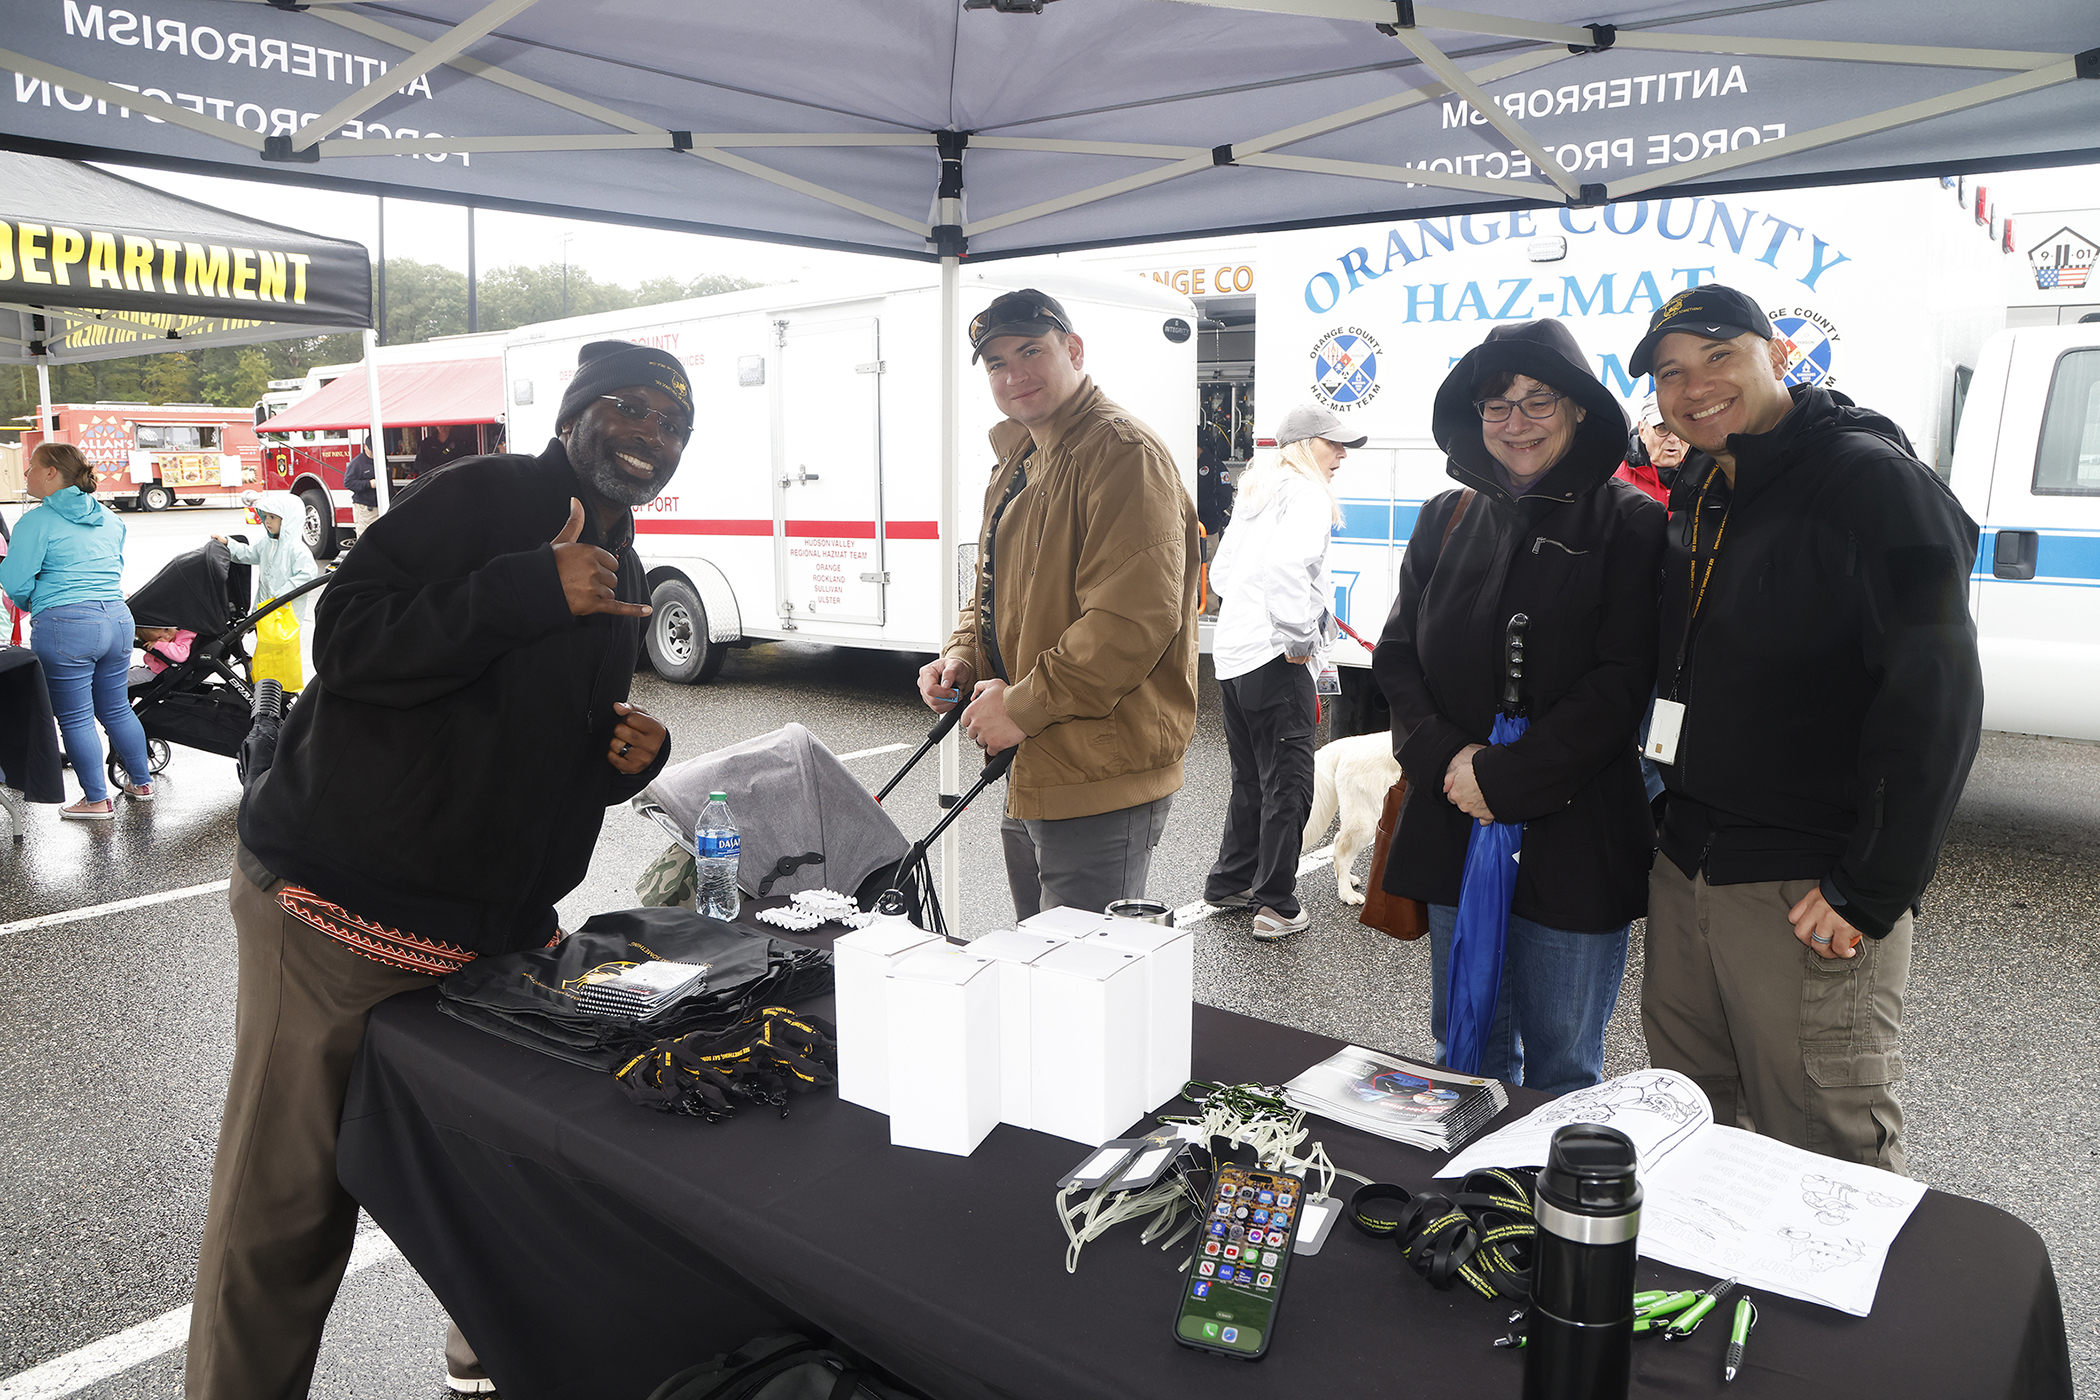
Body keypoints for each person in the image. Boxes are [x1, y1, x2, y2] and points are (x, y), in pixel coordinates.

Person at [187, 340, 687, 1400]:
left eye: (673, 425)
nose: (651, 436)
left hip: (491, 933)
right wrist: (525, 587)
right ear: (575, 414)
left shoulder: (626, 563)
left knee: (492, 1186)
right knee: (285, 1214)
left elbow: (521, 733)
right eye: (631, 410)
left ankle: (480, 1371)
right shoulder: (491, 496)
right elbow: (351, 637)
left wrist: (620, 757)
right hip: (335, 916)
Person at [1627, 284, 1983, 1173]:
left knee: (1823, 1151)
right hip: (1692, 863)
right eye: (1671, 372)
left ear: (1779, 353)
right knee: (1687, 1122)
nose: (1695, 386)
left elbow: (1937, 692)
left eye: (1719, 356)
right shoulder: (1704, 483)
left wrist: (1872, 885)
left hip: (1803, 888)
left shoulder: (1870, 480)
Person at [1373, 320, 1665, 1094]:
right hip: (1455, 814)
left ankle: (1551, 1209)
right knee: (1466, 1050)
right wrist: (1453, 760)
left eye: (1539, 402)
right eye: (1496, 405)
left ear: (1578, 412)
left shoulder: (1630, 524)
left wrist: (1509, 779)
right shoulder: (1447, 517)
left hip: (1577, 834)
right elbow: (1397, 656)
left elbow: (1623, 681)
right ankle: (1473, 1202)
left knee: (1563, 1065)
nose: (1516, 423)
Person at [916, 289, 1200, 921]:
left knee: (1081, 985)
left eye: (1030, 351)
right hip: (1033, 761)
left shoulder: (1121, 454)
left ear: (1073, 350)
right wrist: (962, 655)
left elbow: (1129, 622)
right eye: (995, 363)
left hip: (1096, 769)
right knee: (1036, 969)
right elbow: (992, 587)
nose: (1014, 375)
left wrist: (1019, 704)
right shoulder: (1023, 454)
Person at [1202, 404, 1362, 939]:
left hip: (1233, 655)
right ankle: (1276, 903)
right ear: (1302, 445)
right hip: (1277, 657)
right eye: (1332, 444)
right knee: (1289, 781)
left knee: (1251, 778)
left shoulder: (1257, 492)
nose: (1341, 455)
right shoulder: (1309, 494)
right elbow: (1286, 567)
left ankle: (1230, 881)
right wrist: (1299, 634)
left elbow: (1221, 572)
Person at [0, 442, 156, 818]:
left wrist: (34, 602)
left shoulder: (36, 521)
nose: (26, 475)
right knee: (117, 707)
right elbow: (114, 566)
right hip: (118, 618)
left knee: (75, 717)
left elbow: (15, 580)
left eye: (32, 467)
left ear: (52, 472)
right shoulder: (109, 517)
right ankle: (141, 782)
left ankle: (96, 800)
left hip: (66, 625)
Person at [1614, 398, 1687, 506]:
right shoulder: (1617, 477)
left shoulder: (1708, 473)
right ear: (1642, 431)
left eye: (1681, 427)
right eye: (1663, 428)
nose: (1674, 438)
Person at [343, 435, 379, 536]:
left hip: (379, 507)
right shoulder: (357, 463)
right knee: (364, 538)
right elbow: (348, 483)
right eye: (371, 449)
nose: (373, 452)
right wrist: (368, 484)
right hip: (365, 509)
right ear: (364, 447)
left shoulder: (381, 460)